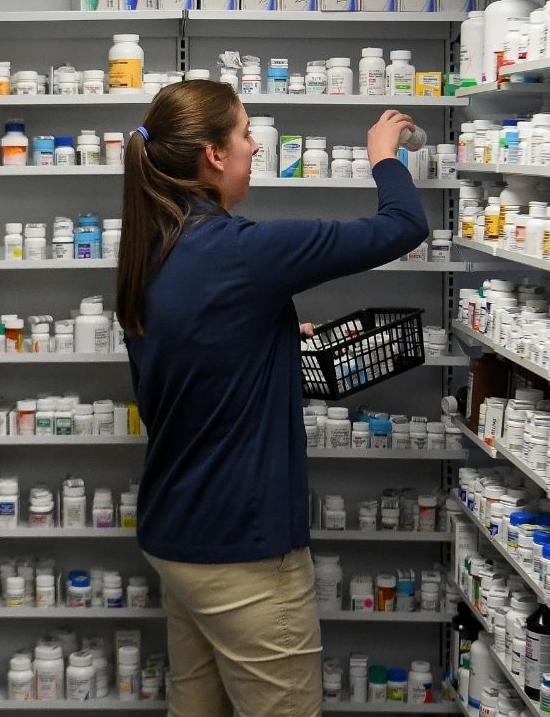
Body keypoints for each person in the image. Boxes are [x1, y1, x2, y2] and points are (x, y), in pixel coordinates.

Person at [117, 80, 429, 717]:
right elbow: (403, 226)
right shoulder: (244, 252)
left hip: (175, 537)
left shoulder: (150, 251)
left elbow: (173, 380)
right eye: (245, 134)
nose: (255, 146)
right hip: (244, 556)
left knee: (195, 707)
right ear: (213, 155)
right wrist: (383, 156)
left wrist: (268, 334)